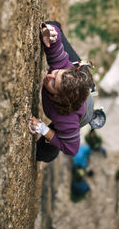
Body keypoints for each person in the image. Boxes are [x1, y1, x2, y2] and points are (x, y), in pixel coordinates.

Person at [29, 21, 95, 162]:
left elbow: (71, 149)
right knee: (51, 24)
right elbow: (55, 45)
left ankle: (93, 112)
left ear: (59, 98)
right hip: (82, 81)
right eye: (56, 73)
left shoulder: (66, 119)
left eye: (53, 83)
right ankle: (89, 83)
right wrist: (52, 34)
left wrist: (44, 130)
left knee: (42, 153)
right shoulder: (63, 67)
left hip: (82, 113)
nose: (49, 76)